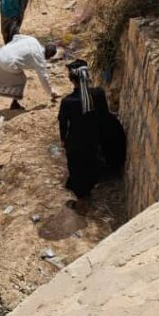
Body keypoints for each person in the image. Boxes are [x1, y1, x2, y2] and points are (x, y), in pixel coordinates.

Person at [58, 59, 126, 207]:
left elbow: (63, 124)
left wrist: (63, 140)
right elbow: (104, 116)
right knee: (89, 163)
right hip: (94, 140)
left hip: (76, 142)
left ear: (71, 79)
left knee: (77, 168)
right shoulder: (98, 93)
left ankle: (82, 201)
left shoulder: (68, 101)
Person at [0, 34, 59, 110]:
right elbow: (44, 78)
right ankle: (14, 104)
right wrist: (51, 92)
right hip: (9, 62)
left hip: (1, 54)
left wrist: (14, 49)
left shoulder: (33, 40)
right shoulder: (39, 60)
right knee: (21, 80)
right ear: (49, 56)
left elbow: (16, 36)